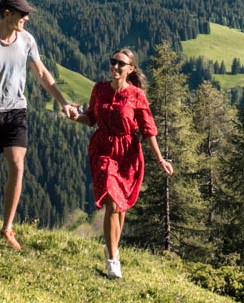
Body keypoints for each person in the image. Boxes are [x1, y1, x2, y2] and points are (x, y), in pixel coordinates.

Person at [0, 0, 75, 250]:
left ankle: (7, 228)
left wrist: (63, 101)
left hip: (16, 111)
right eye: (23, 14)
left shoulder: (27, 40)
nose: (27, 19)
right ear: (7, 14)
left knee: (17, 165)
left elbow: (42, 73)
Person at [69, 48, 173, 279]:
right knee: (112, 202)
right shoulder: (100, 89)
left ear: (131, 69)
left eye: (120, 64)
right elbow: (91, 119)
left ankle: (112, 246)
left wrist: (160, 159)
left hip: (128, 153)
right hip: (103, 149)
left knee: (121, 204)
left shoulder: (137, 95)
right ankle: (112, 259)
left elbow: (148, 130)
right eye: (113, 62)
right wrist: (77, 117)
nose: (115, 67)